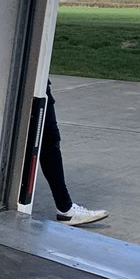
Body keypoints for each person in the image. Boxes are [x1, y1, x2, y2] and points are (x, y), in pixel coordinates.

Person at [40, 81, 108, 226]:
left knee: (44, 141)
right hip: (32, 79)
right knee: (47, 141)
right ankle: (65, 209)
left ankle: (64, 208)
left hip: (36, 78)